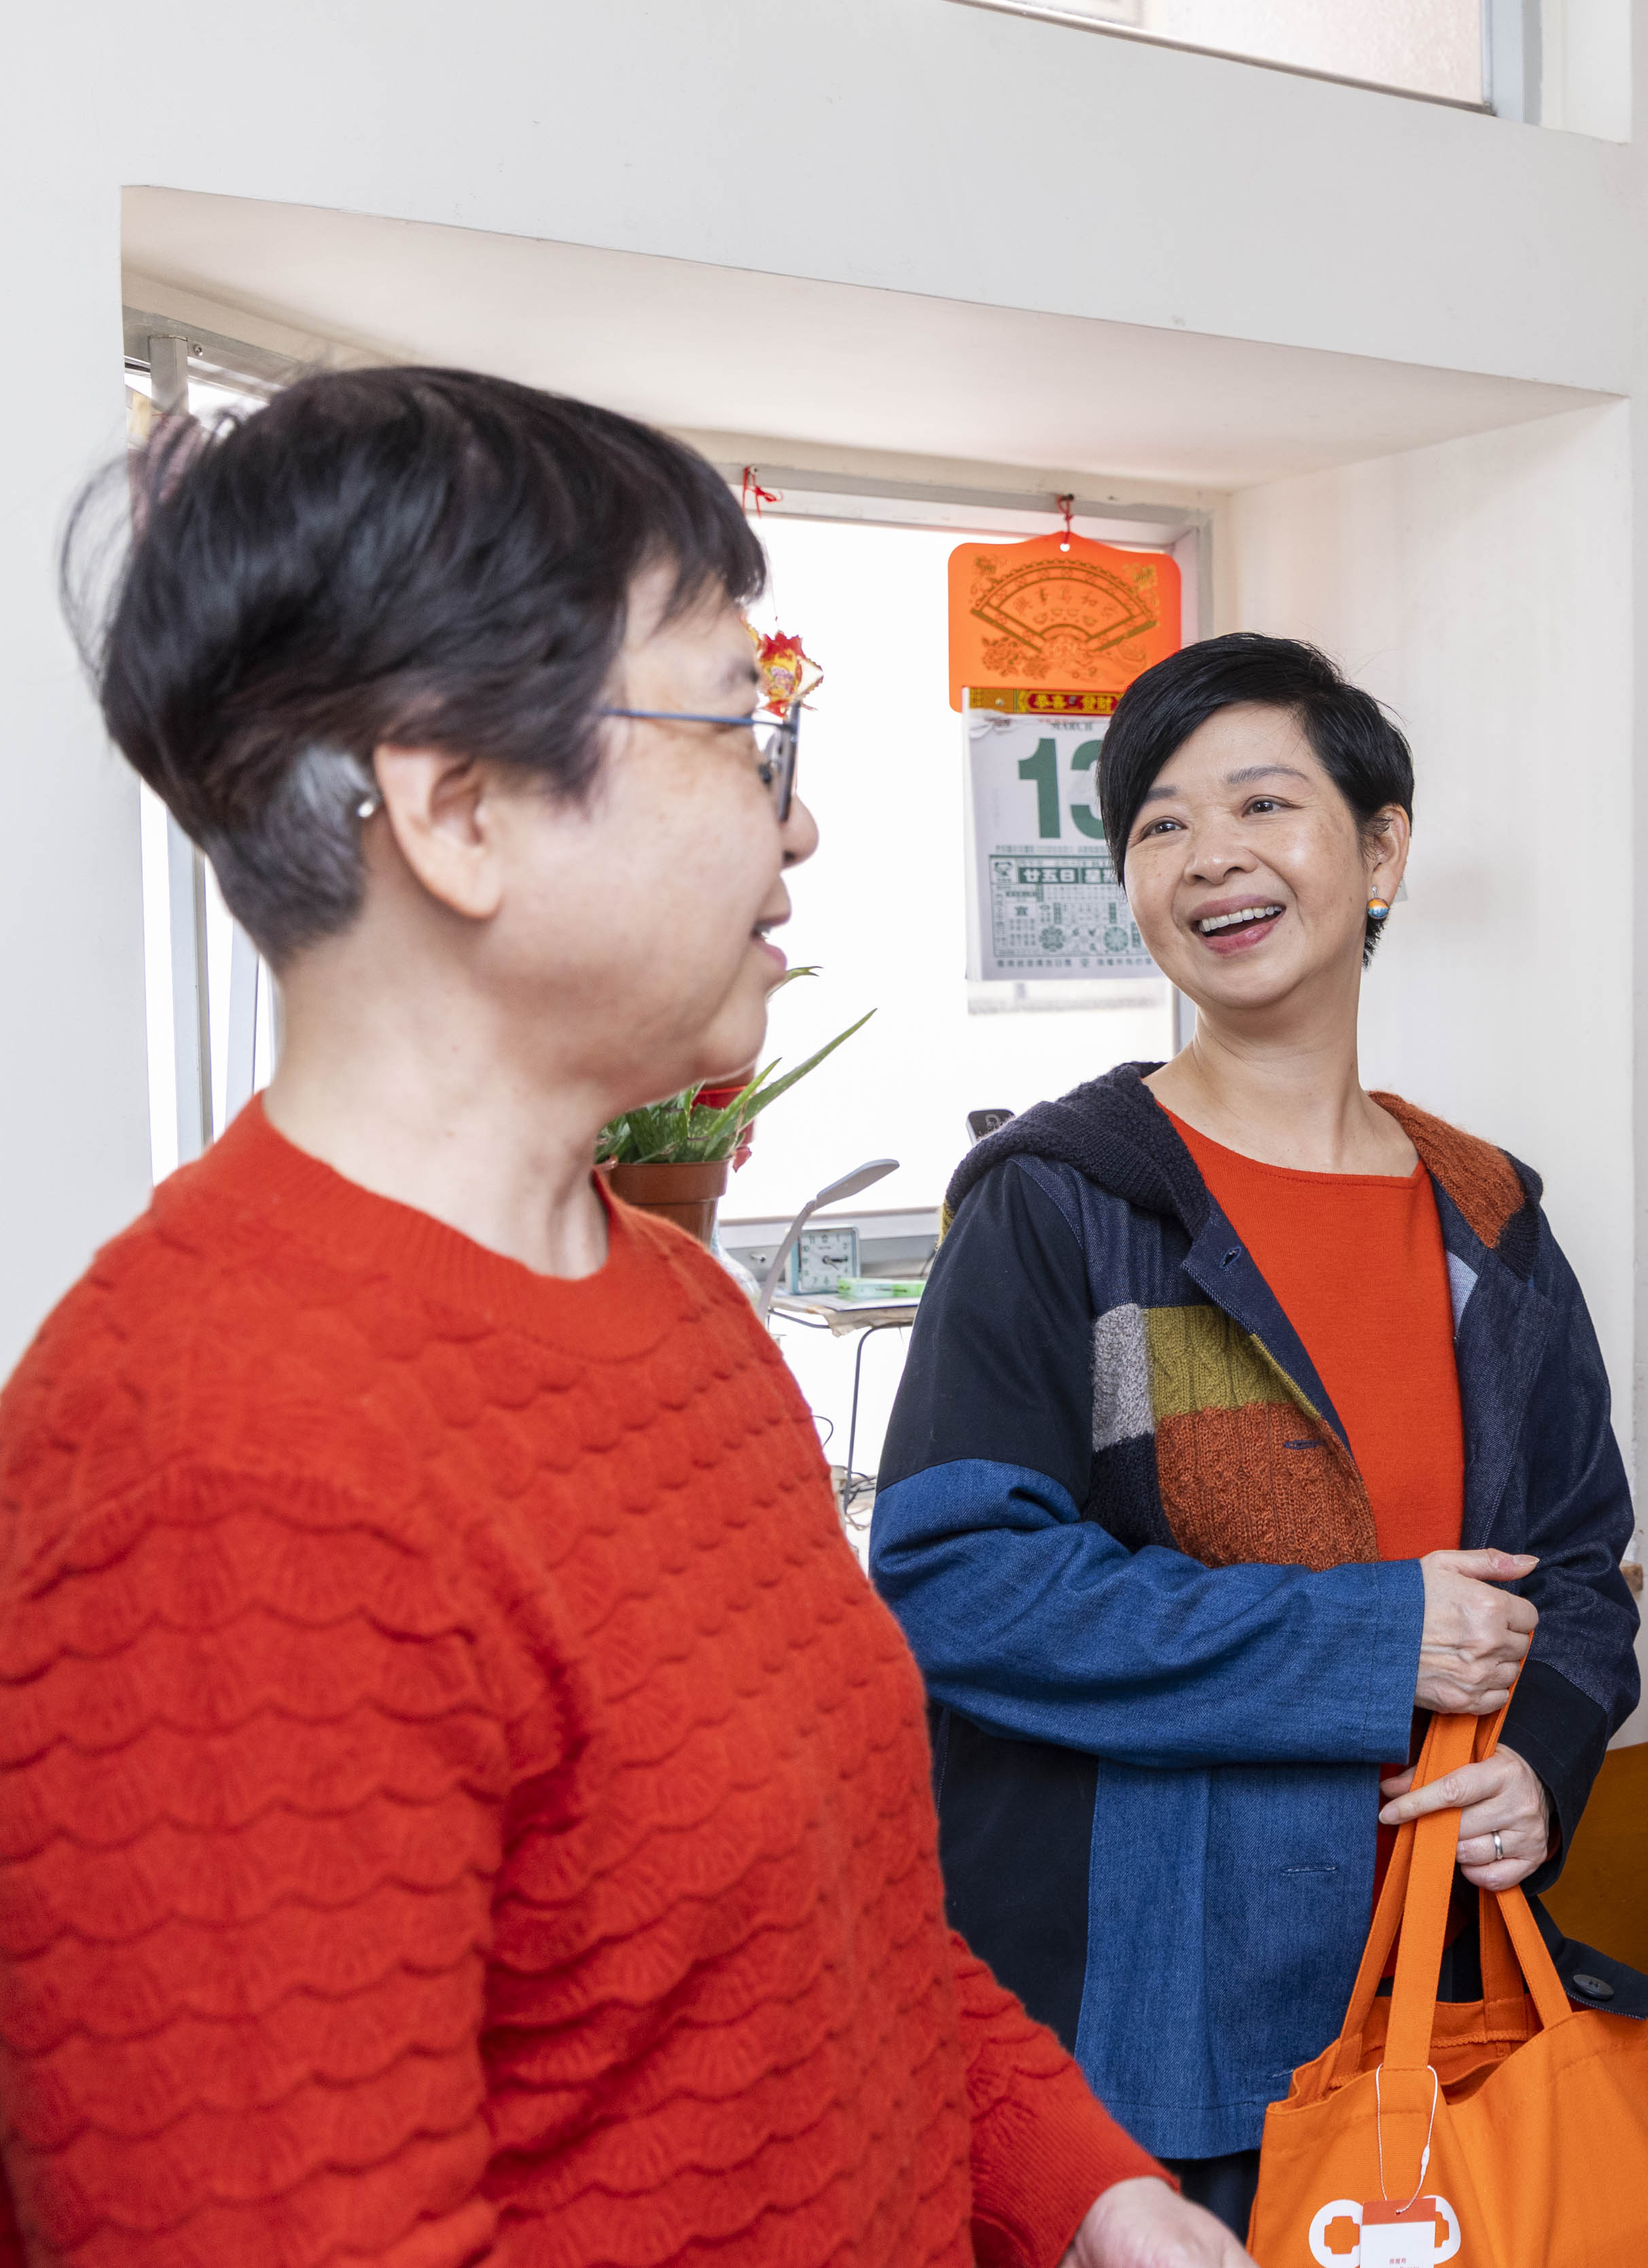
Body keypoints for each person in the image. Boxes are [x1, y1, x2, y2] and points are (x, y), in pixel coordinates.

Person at [0, 368, 1242, 2265]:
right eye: (739, 729)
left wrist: (1092, 2193)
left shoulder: (675, 1308)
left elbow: (829, 1931)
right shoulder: (215, 1464)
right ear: (459, 808)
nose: (797, 827)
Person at [868, 634, 1643, 2237]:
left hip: (1437, 1999)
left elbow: (1578, 1564)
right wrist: (1372, 1637)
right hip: (1152, 2029)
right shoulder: (1059, 1207)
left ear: (1381, 850)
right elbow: (957, 1582)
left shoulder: (1490, 1220)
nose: (1210, 855)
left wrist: (1547, 1767)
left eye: (1264, 804)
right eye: (1159, 823)